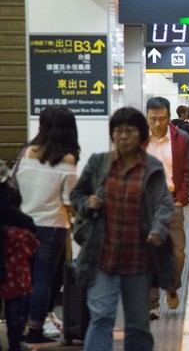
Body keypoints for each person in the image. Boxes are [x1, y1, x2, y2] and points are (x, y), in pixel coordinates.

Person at [70, 107, 175, 351]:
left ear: (141, 135)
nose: (123, 136)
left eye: (129, 131)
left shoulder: (152, 167)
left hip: (139, 260)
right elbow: (77, 193)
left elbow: (163, 204)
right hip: (102, 255)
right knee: (101, 317)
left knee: (138, 325)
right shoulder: (99, 163)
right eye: (118, 131)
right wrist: (87, 203)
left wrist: (158, 229)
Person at [13, 106, 79, 345]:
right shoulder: (67, 159)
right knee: (43, 279)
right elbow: (70, 200)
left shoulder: (26, 152)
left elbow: (14, 187)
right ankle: (36, 328)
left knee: (24, 278)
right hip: (52, 226)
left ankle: (18, 326)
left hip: (24, 225)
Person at [144, 97, 189, 319]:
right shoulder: (139, 141)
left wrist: (181, 198)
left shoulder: (181, 139)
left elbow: (188, 170)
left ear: (168, 117)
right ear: (147, 117)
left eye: (162, 119)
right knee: (148, 254)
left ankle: (172, 286)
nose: (157, 123)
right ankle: (152, 303)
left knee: (177, 253)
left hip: (173, 201)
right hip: (146, 205)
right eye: (153, 119)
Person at [0, 160, 38, 351]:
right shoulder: (22, 234)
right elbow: (33, 247)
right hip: (16, 280)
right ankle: (15, 345)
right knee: (14, 314)